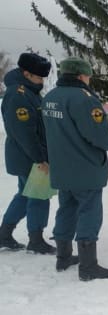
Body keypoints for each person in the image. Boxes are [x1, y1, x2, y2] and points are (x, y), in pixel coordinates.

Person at [42, 57, 108, 280]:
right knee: (89, 212)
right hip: (85, 167)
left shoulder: (50, 98)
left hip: (62, 166)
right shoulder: (85, 100)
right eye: (87, 75)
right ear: (80, 76)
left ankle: (63, 256)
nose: (89, 79)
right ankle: (88, 266)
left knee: (66, 208)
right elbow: (98, 134)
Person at [0, 52, 56, 254]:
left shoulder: (29, 92)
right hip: (30, 156)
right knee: (39, 196)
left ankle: (4, 235)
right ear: (26, 73)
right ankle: (36, 240)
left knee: (25, 195)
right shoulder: (19, 95)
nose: (42, 81)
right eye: (39, 77)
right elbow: (24, 133)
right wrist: (40, 158)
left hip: (28, 155)